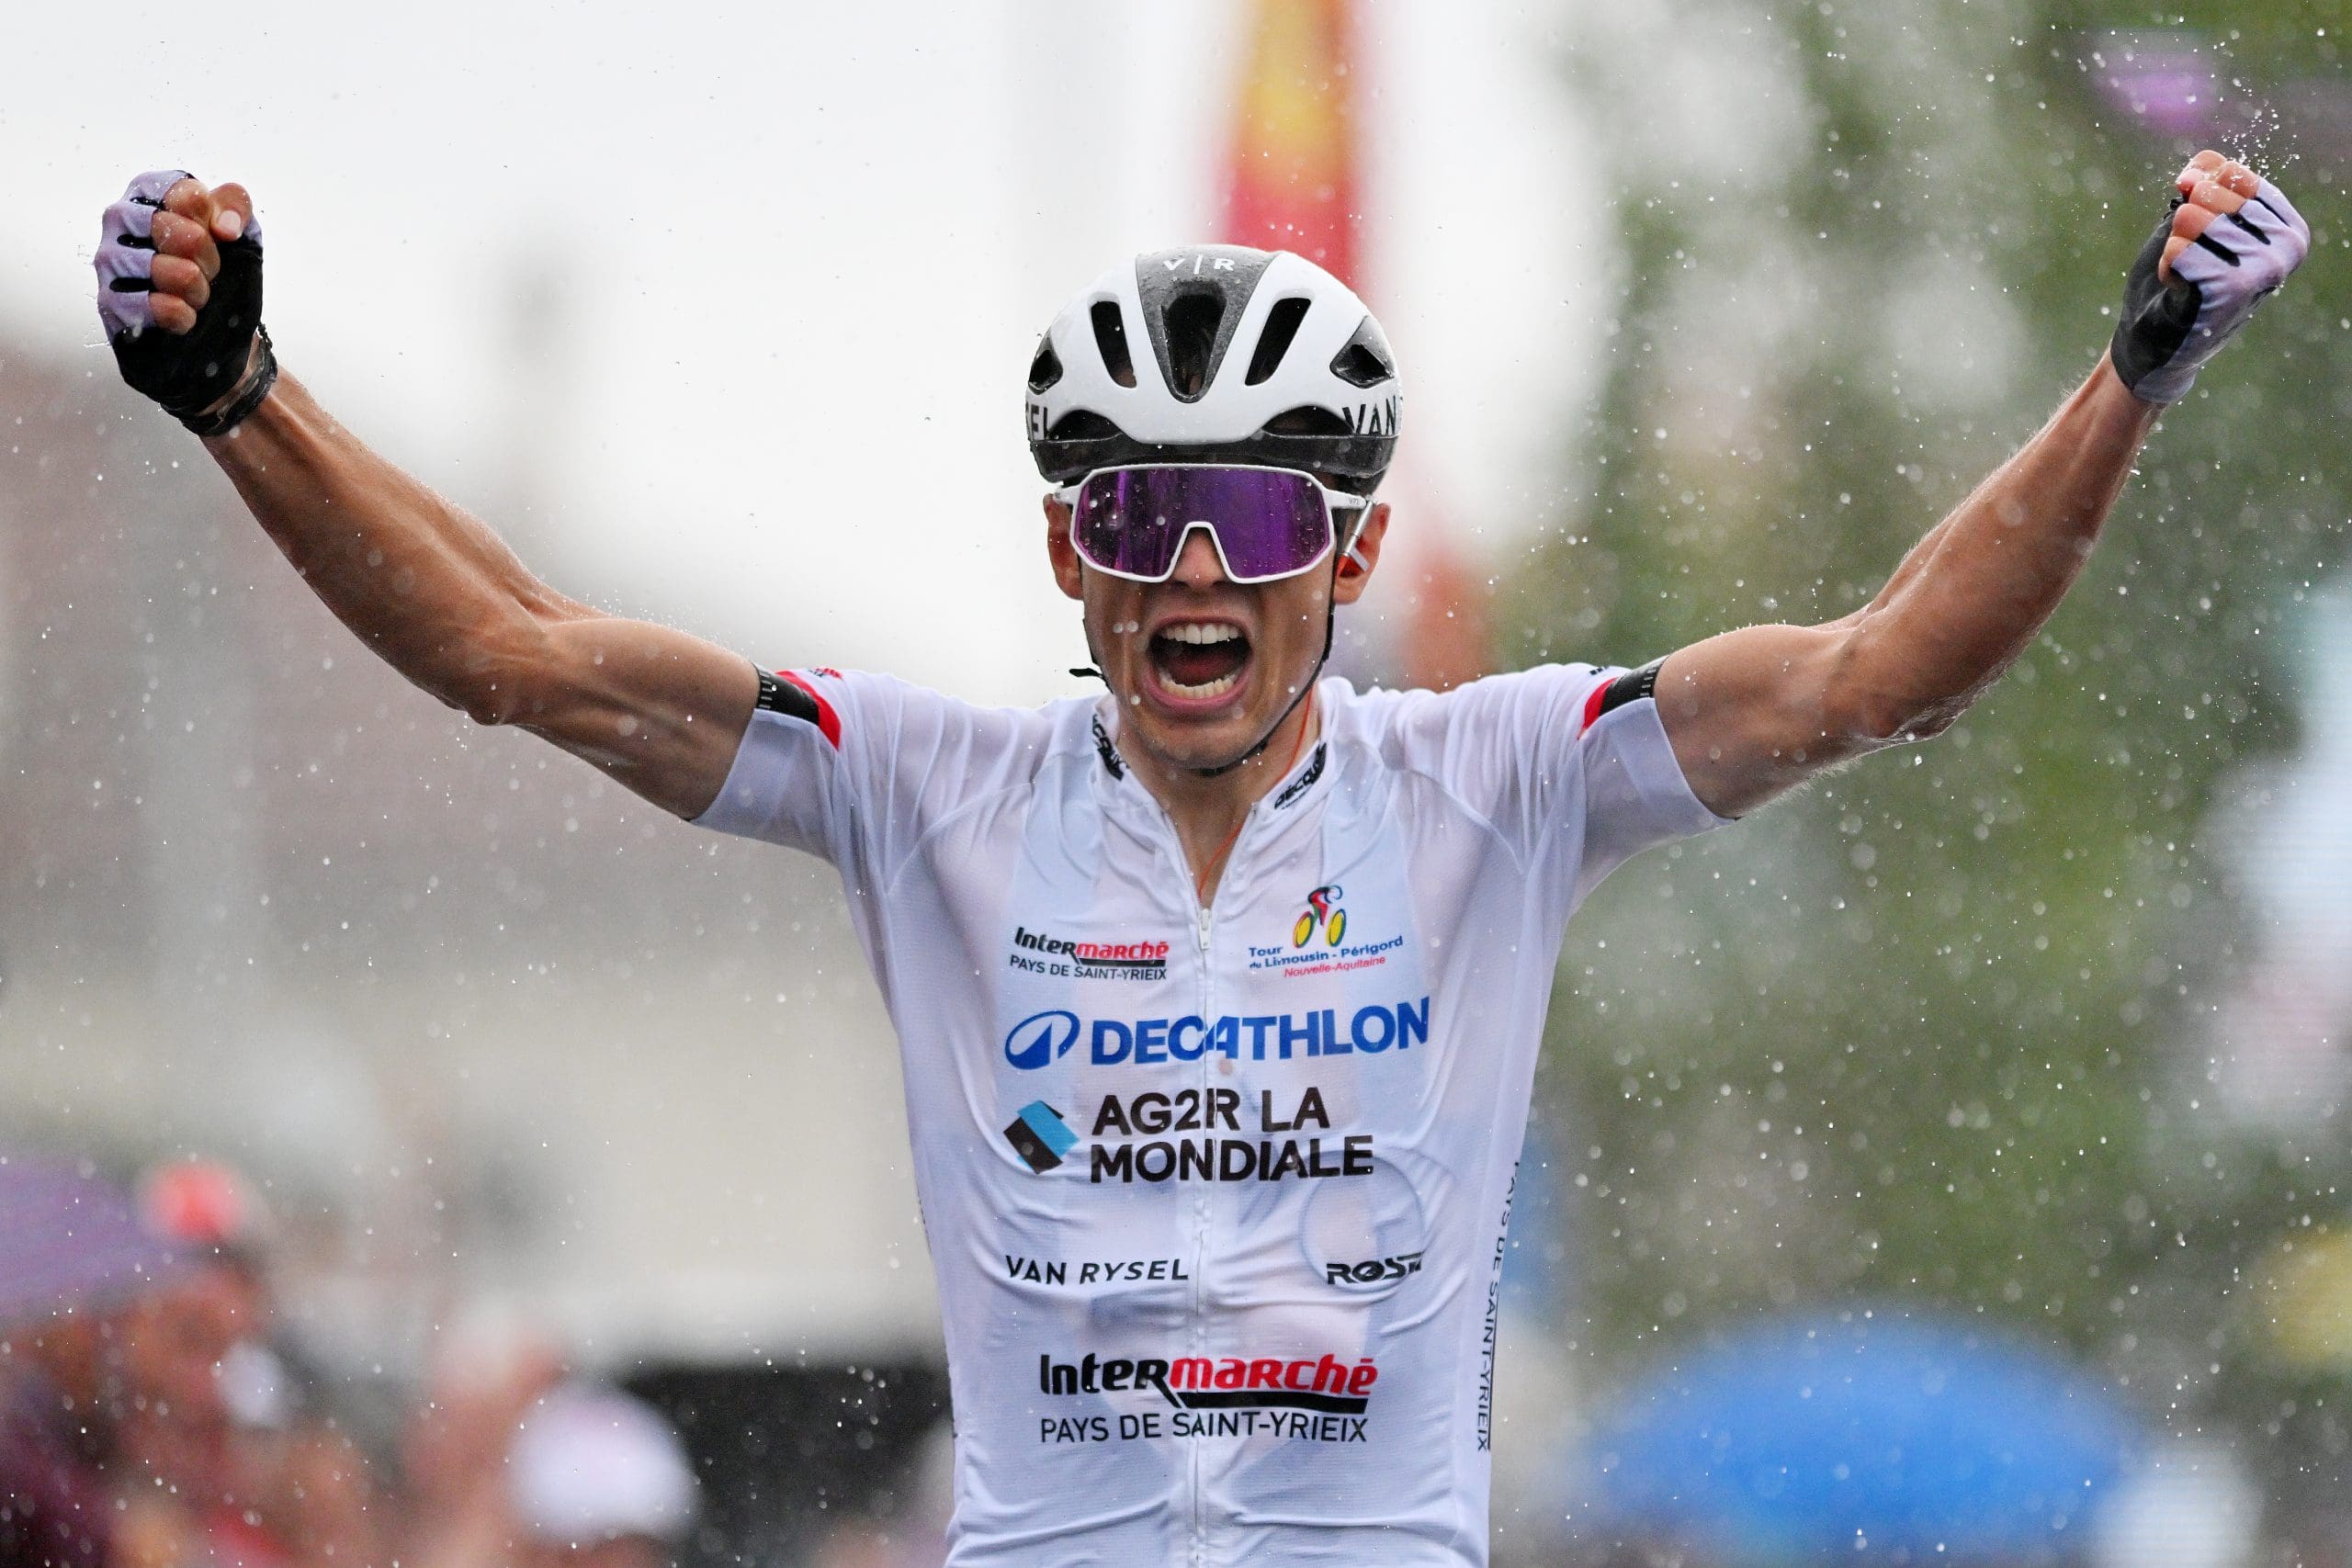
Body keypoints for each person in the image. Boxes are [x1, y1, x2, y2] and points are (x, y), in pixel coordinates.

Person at [89, 150, 2309, 1565]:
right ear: (1067, 547)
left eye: (1246, 513)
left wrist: (2126, 374)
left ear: (1344, 547)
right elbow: (513, 654)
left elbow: (1874, 672)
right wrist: (241, 391)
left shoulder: (1498, 776)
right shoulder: (922, 785)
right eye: (1133, 512)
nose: (1189, 572)